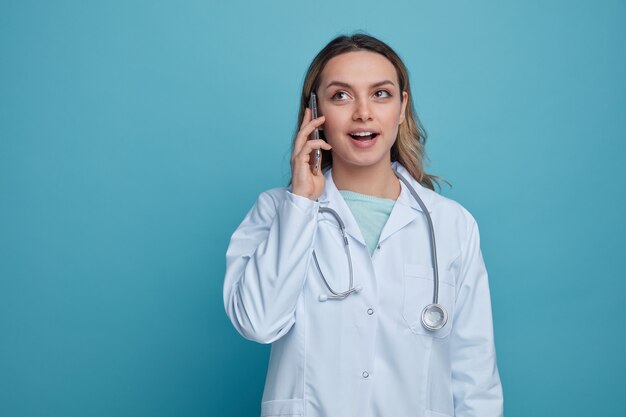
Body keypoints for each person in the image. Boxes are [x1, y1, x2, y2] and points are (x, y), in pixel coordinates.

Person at [223, 33, 503, 417]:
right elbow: (257, 323)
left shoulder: (452, 224)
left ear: (402, 107)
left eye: (381, 94)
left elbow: (476, 379)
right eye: (341, 95)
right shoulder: (277, 211)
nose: (363, 113)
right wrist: (301, 204)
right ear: (313, 110)